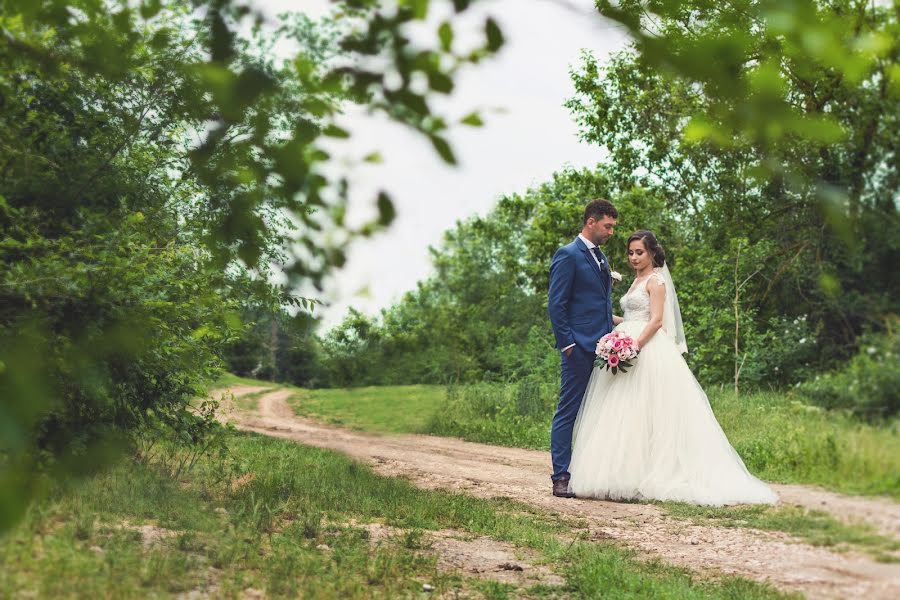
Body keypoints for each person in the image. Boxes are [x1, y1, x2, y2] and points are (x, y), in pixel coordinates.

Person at [567, 230, 778, 506]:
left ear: (652, 253)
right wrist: (606, 322)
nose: (633, 257)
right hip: (625, 341)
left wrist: (634, 346)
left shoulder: (656, 281)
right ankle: (619, 475)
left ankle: (648, 474)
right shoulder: (635, 282)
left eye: (639, 252)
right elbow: (629, 316)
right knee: (623, 411)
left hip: (646, 347)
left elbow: (655, 322)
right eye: (630, 252)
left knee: (646, 410)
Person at [547, 199, 617, 498]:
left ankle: (595, 475)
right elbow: (556, 303)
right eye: (608, 226)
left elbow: (600, 304)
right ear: (591, 222)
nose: (611, 232)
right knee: (569, 411)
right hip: (578, 348)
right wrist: (568, 344)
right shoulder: (568, 255)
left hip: (605, 349)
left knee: (601, 413)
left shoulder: (601, 258)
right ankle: (561, 476)